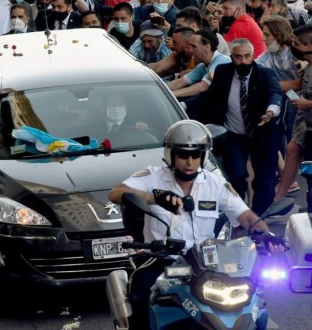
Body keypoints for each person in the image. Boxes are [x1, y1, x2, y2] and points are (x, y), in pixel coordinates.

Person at [108, 119, 273, 329]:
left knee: (253, 297)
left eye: (196, 155)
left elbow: (246, 217)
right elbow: (115, 193)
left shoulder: (215, 183)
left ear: (203, 157)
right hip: (164, 259)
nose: (189, 161)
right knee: (141, 292)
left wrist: (266, 235)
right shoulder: (153, 177)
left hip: (208, 264)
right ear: (171, 155)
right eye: (183, 155)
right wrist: (153, 198)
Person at [185, 39, 282, 215]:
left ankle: (257, 217)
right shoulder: (223, 72)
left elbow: (275, 93)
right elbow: (208, 97)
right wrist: (184, 106)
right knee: (236, 176)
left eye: (247, 56)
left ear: (253, 56)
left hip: (262, 134)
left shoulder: (265, 74)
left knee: (265, 184)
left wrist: (271, 111)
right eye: (238, 57)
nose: (243, 61)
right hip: (234, 135)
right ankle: (239, 213)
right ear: (231, 57)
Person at [274, 24, 312, 203]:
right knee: (292, 149)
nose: (294, 48)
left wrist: (308, 103)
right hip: (305, 123)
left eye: (297, 44)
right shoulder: (308, 67)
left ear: (309, 47)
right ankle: (279, 198)